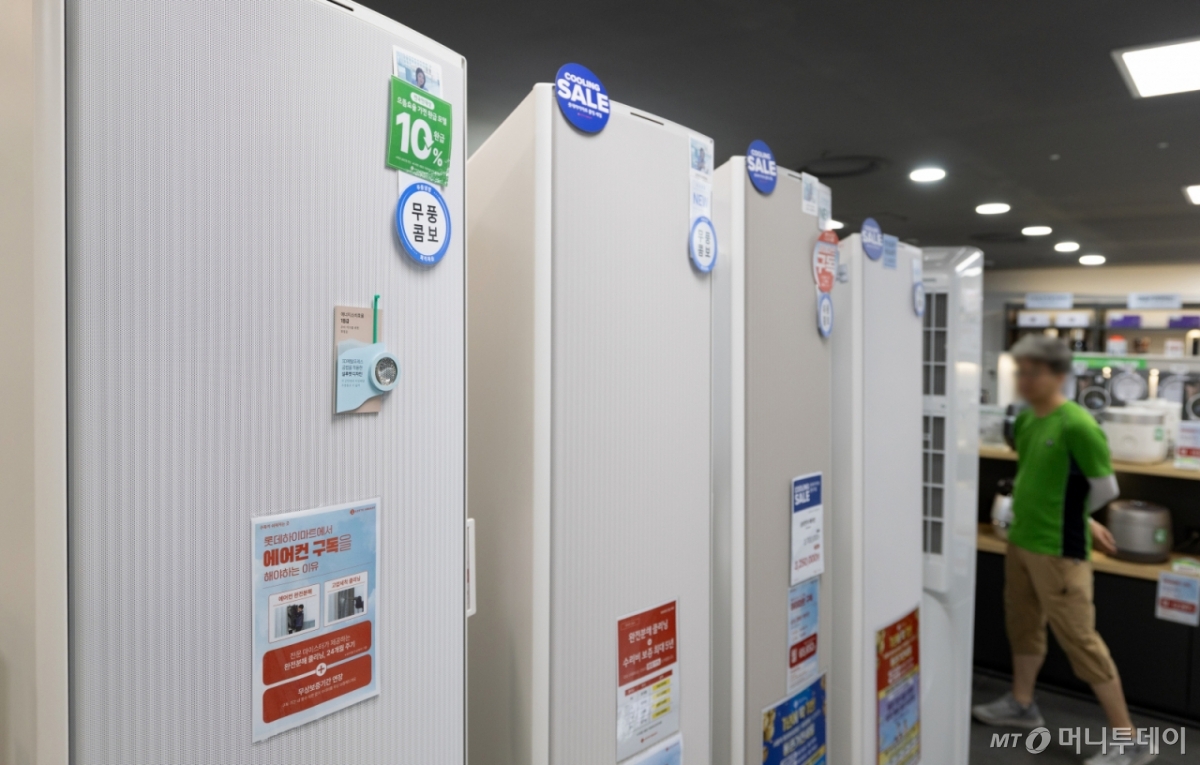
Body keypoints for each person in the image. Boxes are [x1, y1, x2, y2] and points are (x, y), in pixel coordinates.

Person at [972, 334, 1152, 765]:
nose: (1024, 380)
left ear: (1057, 376)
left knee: (1081, 641)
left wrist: (1078, 519)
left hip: (1059, 550)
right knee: (1023, 624)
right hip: (1022, 541)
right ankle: (1022, 705)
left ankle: (1129, 740)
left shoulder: (1078, 424)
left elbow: (1105, 487)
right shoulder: (1028, 420)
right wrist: (1080, 515)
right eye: (1021, 372)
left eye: (1033, 373)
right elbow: (1042, 478)